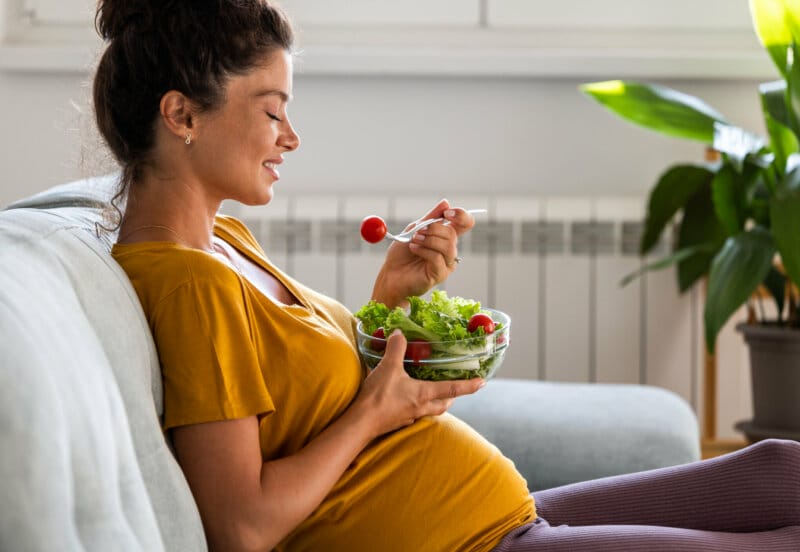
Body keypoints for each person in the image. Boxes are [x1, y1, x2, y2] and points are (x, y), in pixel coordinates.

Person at [93, 1, 800, 551]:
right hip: (466, 541)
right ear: (181, 113)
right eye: (272, 110)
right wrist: (380, 408)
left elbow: (306, 402)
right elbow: (240, 528)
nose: (291, 137)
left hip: (497, 515)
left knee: (778, 468)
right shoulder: (189, 283)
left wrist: (390, 300)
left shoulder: (223, 240)